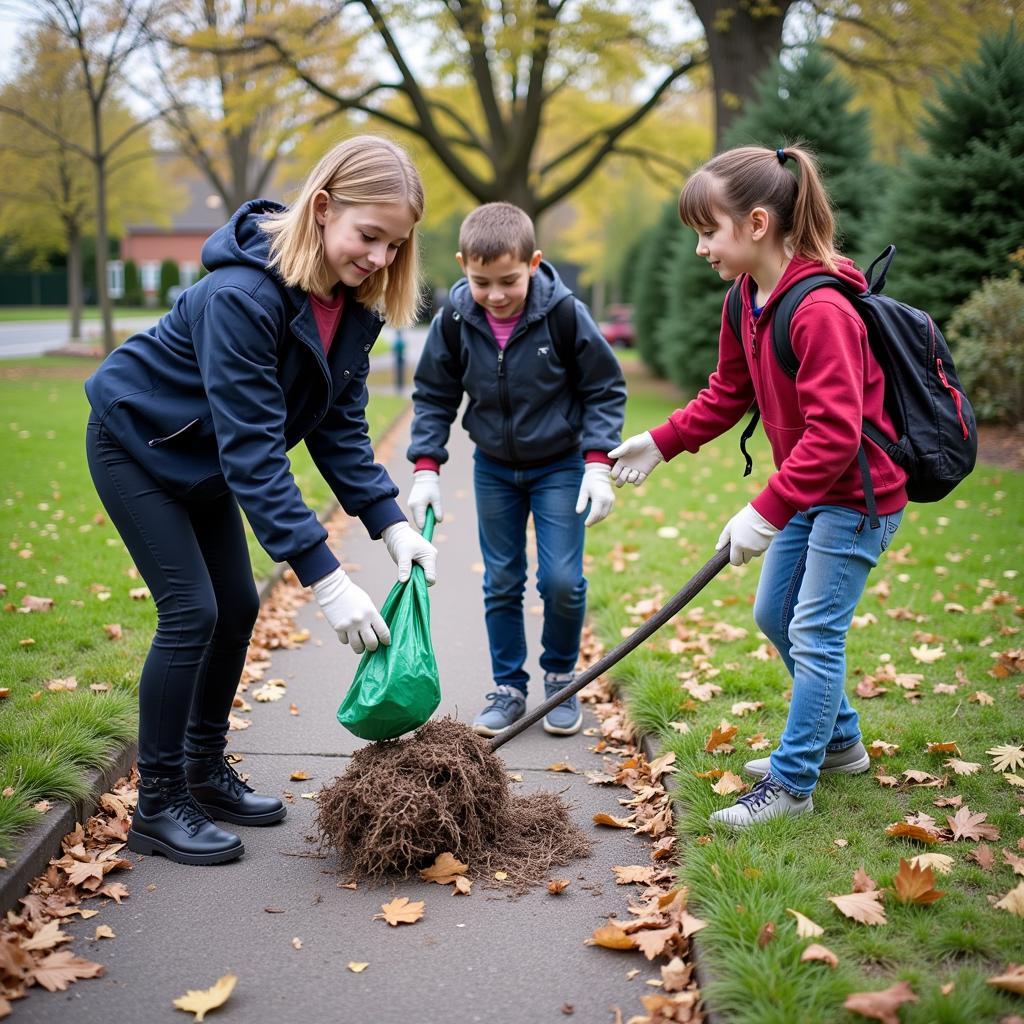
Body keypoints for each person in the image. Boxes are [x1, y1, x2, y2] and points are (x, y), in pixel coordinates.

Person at [84, 136, 437, 865]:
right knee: (193, 612)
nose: (378, 258)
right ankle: (158, 804)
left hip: (204, 460)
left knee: (238, 605)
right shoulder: (241, 296)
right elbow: (253, 450)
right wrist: (328, 581)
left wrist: (390, 522)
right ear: (322, 207)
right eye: (367, 236)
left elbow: (338, 430)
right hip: (139, 446)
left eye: (394, 246)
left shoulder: (351, 309)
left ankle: (204, 770)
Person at [609, 145, 907, 829]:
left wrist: (764, 511)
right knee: (776, 616)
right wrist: (662, 441)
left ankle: (792, 782)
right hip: (813, 489)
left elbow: (836, 435)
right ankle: (840, 744)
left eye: (707, 231)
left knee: (813, 630)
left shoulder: (820, 310)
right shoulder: (745, 298)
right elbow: (726, 393)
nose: (700, 249)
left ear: (757, 223)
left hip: (859, 496)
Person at [406, 202, 626, 738]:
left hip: (560, 465)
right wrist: (426, 467)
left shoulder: (565, 313)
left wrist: (597, 462)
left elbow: (604, 387)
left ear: (534, 262)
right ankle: (507, 688)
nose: (496, 295)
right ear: (462, 265)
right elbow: (435, 394)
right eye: (482, 282)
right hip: (495, 469)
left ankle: (559, 678)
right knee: (502, 580)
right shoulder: (456, 320)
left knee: (562, 581)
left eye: (509, 280)